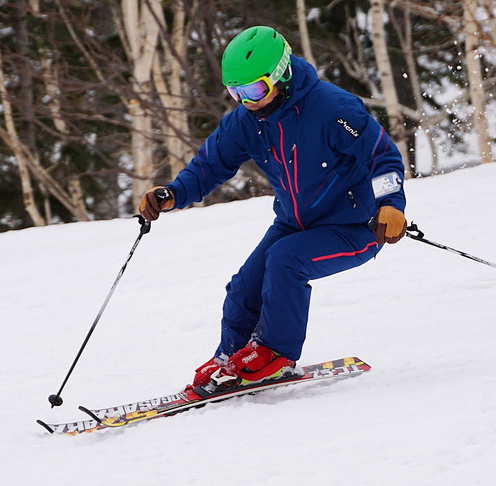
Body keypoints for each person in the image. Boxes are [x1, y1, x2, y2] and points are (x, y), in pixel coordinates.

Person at [139, 25, 407, 394]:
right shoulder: (247, 121)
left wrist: (390, 205)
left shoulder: (333, 109)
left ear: (280, 74)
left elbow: (382, 156)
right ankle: (230, 360)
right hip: (295, 223)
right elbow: (210, 164)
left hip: (356, 226)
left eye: (254, 90)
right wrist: (172, 193)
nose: (246, 100)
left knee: (285, 260)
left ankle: (274, 354)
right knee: (243, 287)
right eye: (236, 92)